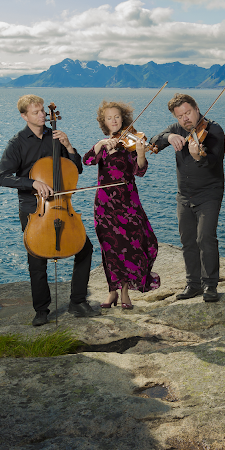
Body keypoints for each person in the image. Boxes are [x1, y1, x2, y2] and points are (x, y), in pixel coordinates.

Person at [0, 94, 97, 326]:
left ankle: (78, 301)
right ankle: (41, 310)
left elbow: (76, 170)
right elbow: (2, 177)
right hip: (35, 210)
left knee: (84, 248)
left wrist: (69, 146)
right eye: (36, 112)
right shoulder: (17, 143)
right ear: (24, 116)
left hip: (62, 207)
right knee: (37, 258)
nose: (42, 115)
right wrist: (32, 183)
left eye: (43, 110)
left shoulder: (56, 138)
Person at [83, 101, 160, 309]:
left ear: (123, 119)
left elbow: (139, 171)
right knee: (109, 248)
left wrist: (142, 153)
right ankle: (112, 292)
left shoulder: (131, 144)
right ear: (104, 122)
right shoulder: (104, 145)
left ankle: (125, 292)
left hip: (127, 203)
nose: (114, 120)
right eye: (109, 118)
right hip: (104, 205)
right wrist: (99, 145)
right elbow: (87, 161)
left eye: (117, 117)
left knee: (128, 246)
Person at [150, 93, 225, 302]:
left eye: (188, 113)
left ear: (196, 108)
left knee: (205, 238)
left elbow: (213, 163)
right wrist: (169, 137)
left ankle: (210, 285)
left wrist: (197, 156)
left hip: (209, 194)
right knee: (188, 240)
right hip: (184, 195)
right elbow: (154, 141)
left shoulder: (214, 130)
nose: (185, 119)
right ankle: (193, 284)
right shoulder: (176, 129)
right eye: (180, 116)